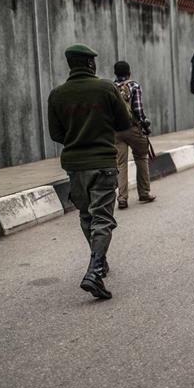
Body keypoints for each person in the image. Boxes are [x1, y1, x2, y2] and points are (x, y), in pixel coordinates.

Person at [48, 44, 131, 300]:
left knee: (86, 216)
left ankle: (99, 261)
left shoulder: (57, 95)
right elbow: (124, 123)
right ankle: (94, 271)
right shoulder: (106, 88)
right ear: (91, 64)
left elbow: (56, 134)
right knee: (103, 218)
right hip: (103, 163)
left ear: (70, 65)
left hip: (75, 166)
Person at [113, 61, 157, 210]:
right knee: (141, 157)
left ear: (115, 74)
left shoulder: (110, 88)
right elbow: (138, 109)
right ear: (129, 73)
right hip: (132, 128)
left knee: (121, 163)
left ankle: (122, 198)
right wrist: (144, 123)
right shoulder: (134, 86)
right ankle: (144, 192)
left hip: (116, 132)